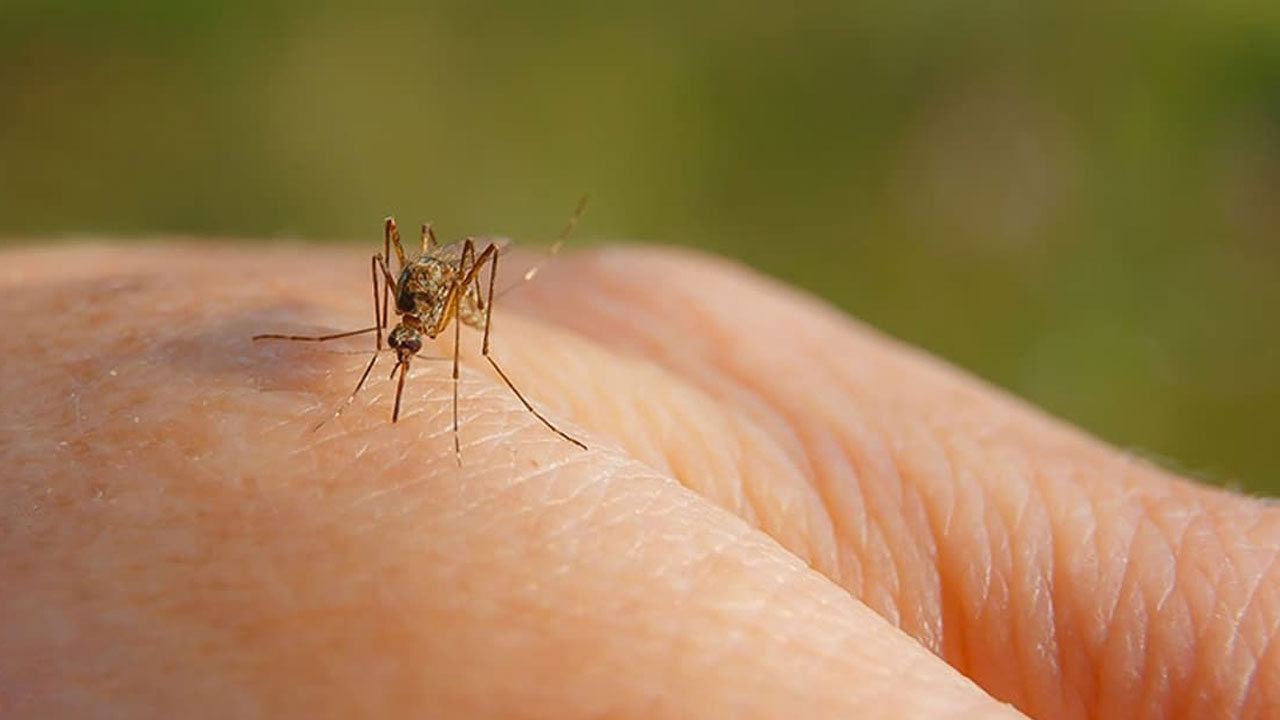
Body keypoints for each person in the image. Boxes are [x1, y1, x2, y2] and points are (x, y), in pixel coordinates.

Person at [1, 243, 1274, 719]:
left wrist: (471, 357)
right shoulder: (395, 311)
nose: (401, 347)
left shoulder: (442, 315)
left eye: (405, 335)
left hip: (466, 313)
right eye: (402, 334)